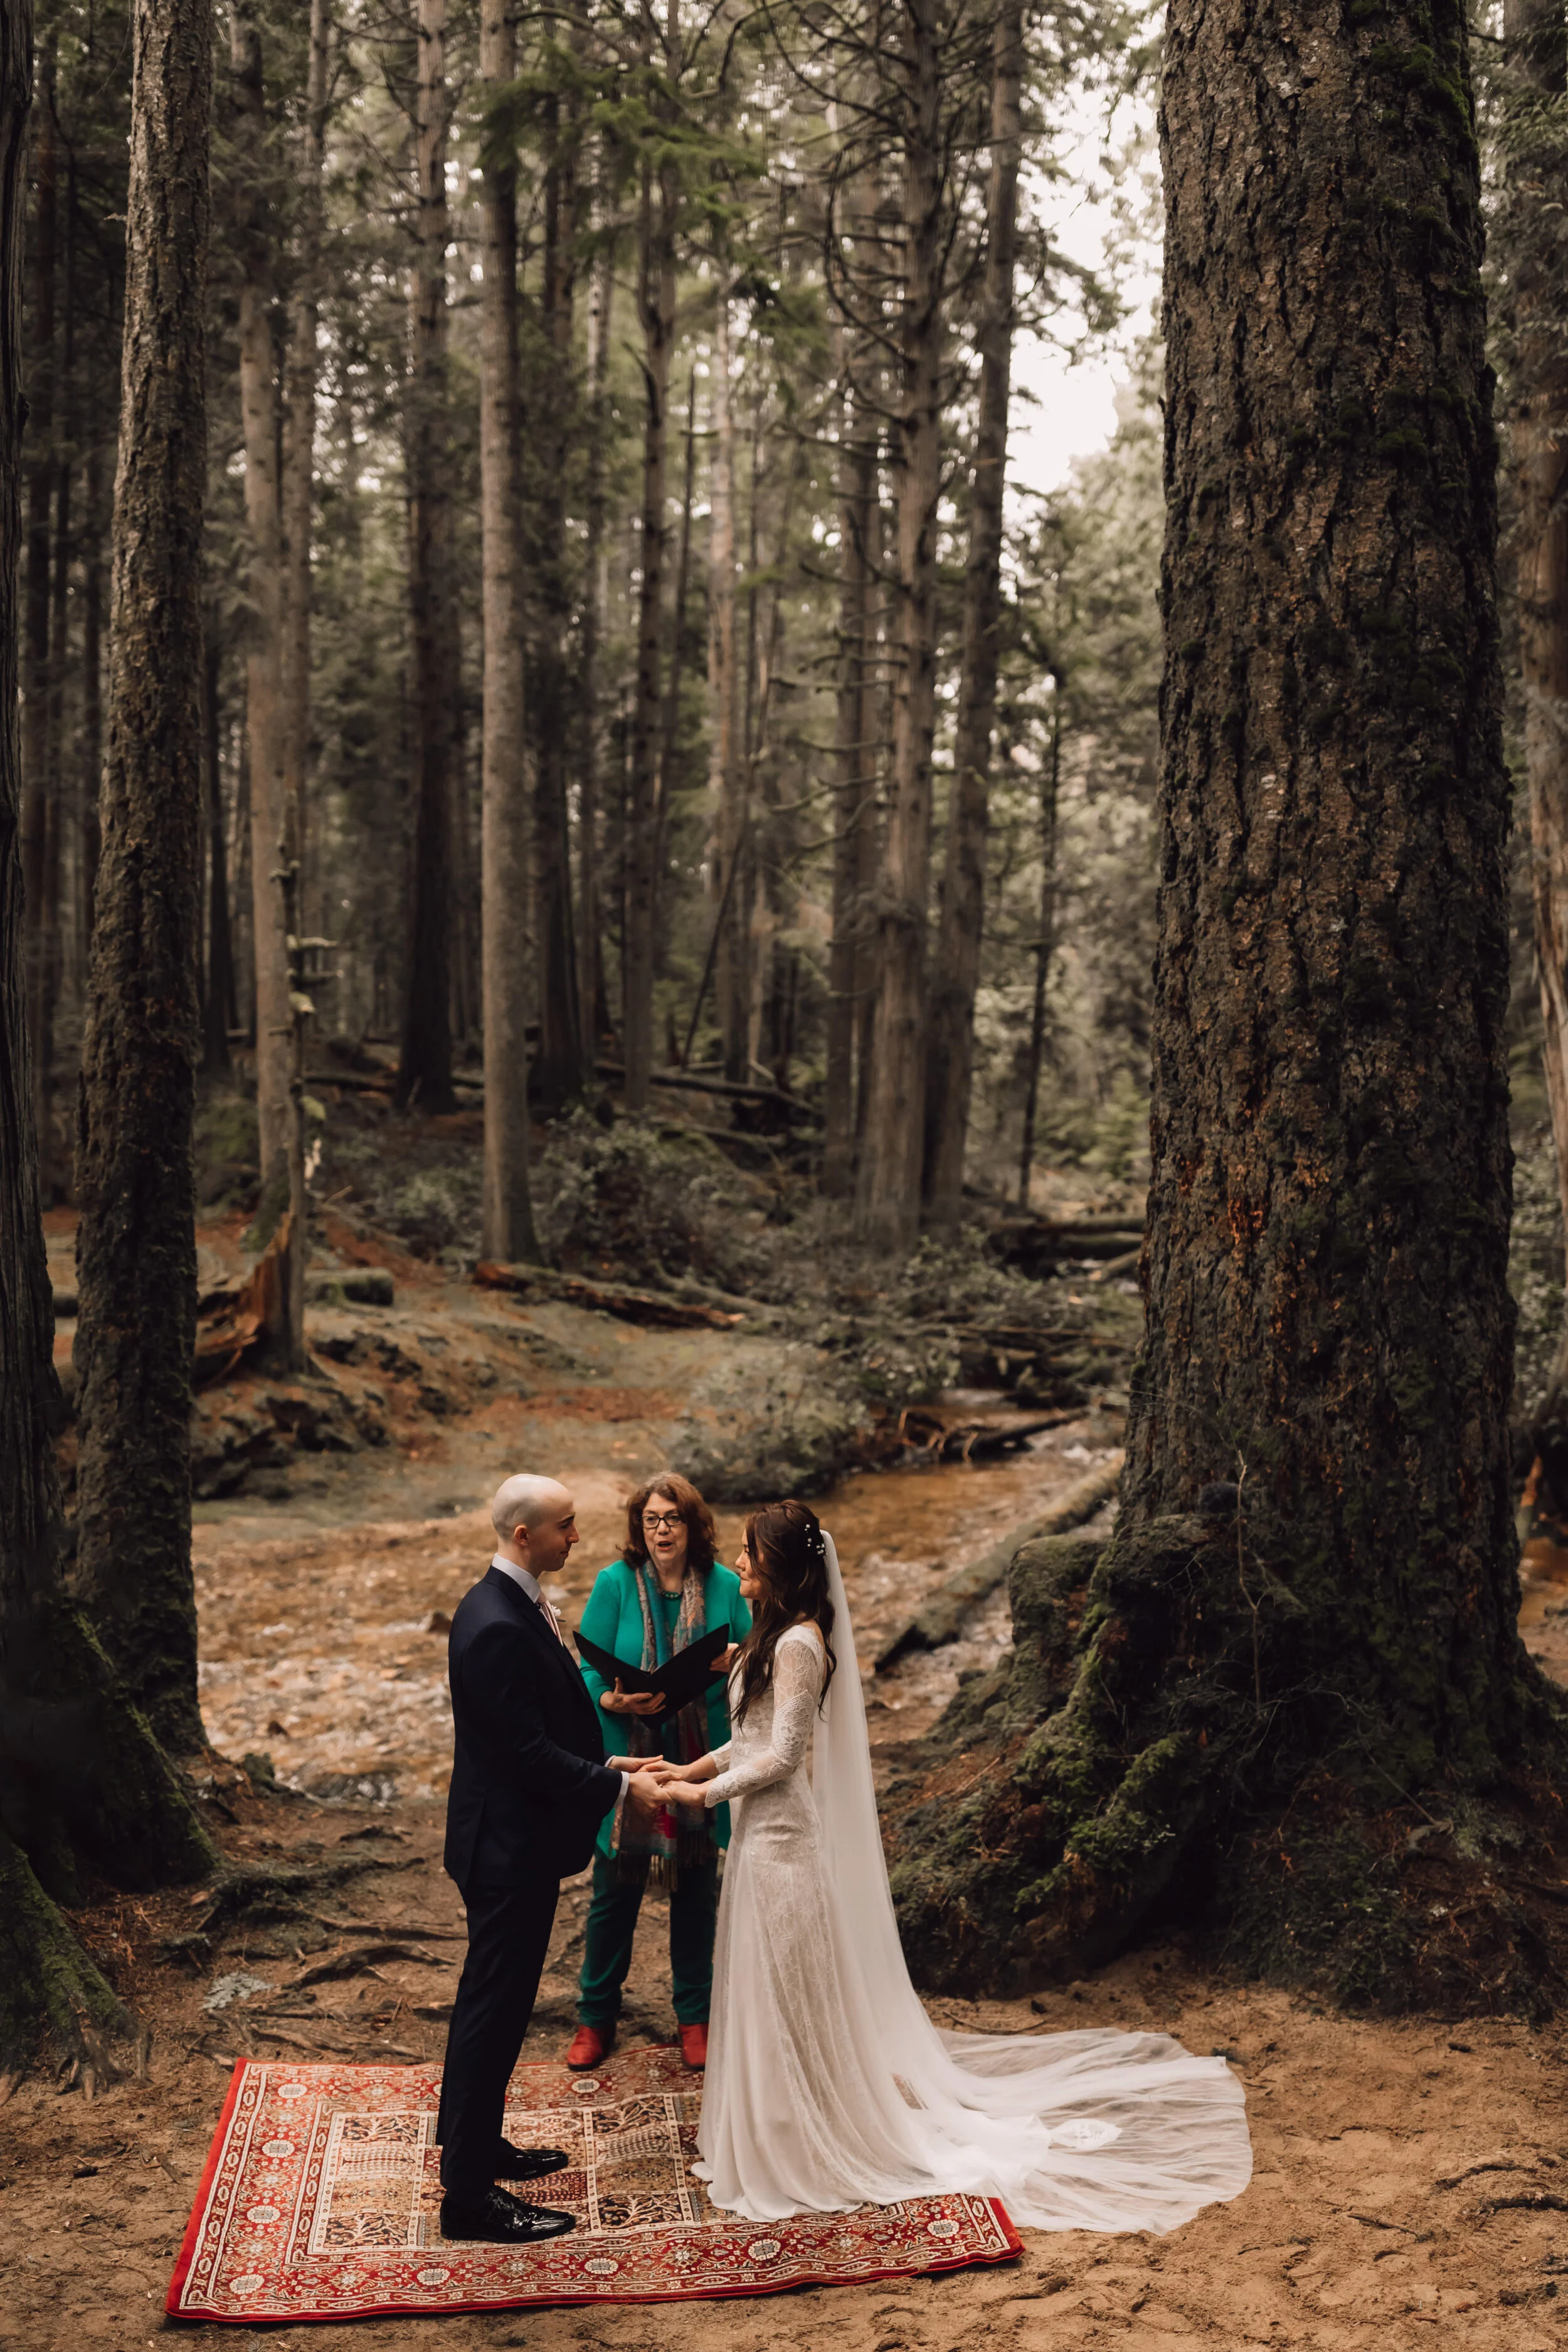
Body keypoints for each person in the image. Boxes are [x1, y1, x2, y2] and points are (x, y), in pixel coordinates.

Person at [645, 1500, 1254, 2230]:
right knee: (759, 1988)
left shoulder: (801, 1644)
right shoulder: (768, 1636)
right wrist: (687, 1767)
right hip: (754, 1839)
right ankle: (772, 2128)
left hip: (785, 1847)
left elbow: (783, 1757)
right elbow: (748, 1742)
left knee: (787, 1994)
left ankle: (805, 2138)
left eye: (747, 1551)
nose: (736, 1562)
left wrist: (699, 1794)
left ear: (776, 1562)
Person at [435, 1472, 666, 2246]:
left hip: (508, 1839)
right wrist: (610, 1784)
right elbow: (526, 1754)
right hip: (505, 1850)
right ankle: (467, 2200)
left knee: (492, 2011)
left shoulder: (505, 1601)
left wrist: (614, 1768)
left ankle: (477, 2147)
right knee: (491, 2018)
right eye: (565, 1526)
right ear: (523, 1535)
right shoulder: (497, 1623)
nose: (577, 1536)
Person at [567, 1474, 751, 2074]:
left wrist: (734, 1663)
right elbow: (588, 1671)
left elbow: (758, 1655)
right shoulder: (613, 1584)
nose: (662, 1529)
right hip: (631, 1758)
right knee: (613, 1895)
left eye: (672, 1518)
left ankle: (693, 2017)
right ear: (637, 1528)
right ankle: (595, 2018)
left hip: (697, 1759)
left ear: (693, 1525)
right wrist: (613, 1702)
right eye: (651, 1519)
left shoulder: (725, 1586)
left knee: (696, 1893)